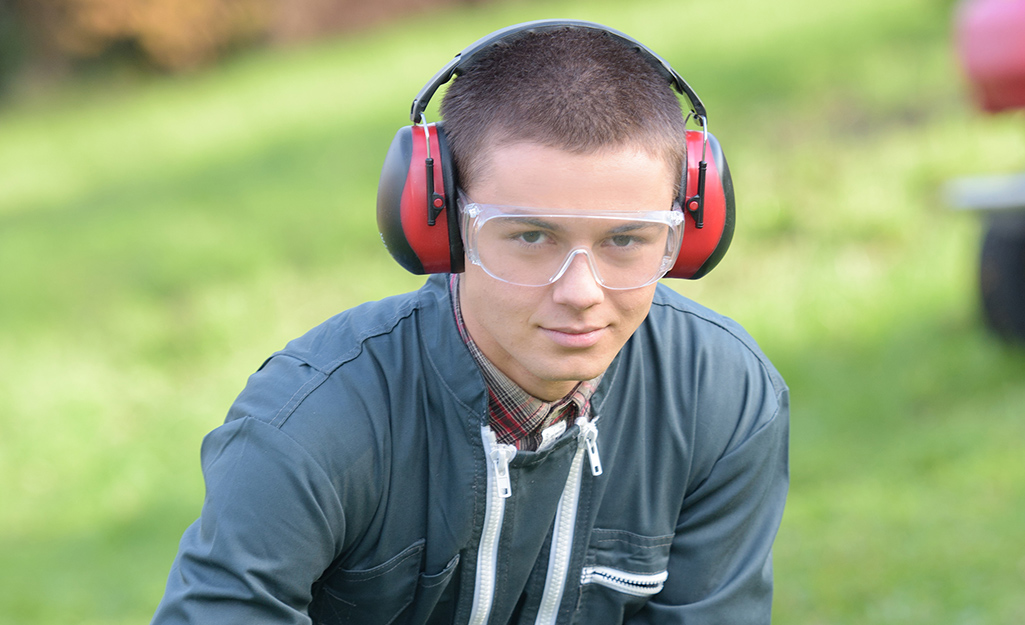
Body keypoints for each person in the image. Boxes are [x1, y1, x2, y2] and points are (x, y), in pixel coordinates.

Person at [152, 19, 789, 625]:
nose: (581, 293)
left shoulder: (723, 394)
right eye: (531, 236)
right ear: (441, 227)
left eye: (628, 239)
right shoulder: (309, 426)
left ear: (693, 233)